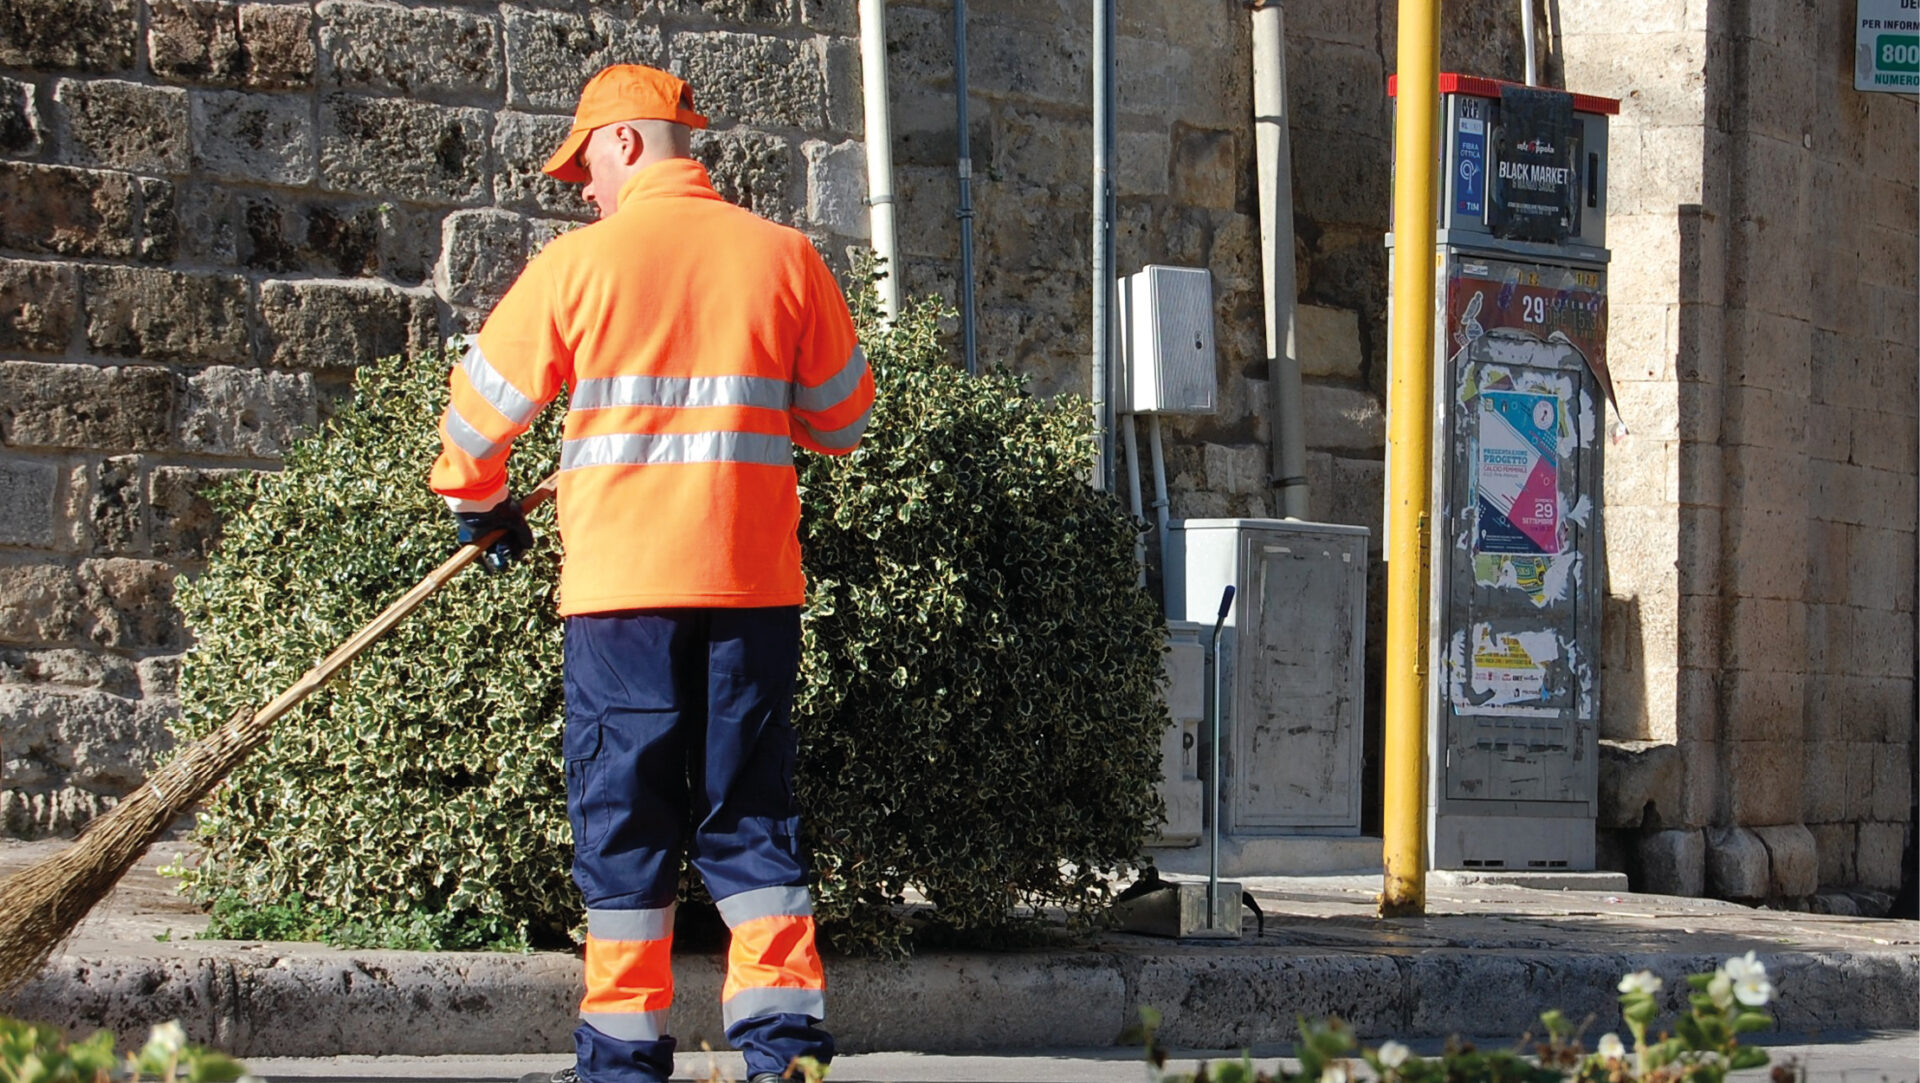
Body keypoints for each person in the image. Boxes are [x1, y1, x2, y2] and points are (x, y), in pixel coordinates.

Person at [428, 63, 873, 1083]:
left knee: (626, 819)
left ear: (626, 142)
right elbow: (844, 421)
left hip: (620, 599)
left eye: (585, 163)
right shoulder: (787, 257)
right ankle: (785, 1058)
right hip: (751, 591)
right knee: (751, 819)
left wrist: (480, 510)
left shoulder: (578, 266)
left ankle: (623, 1059)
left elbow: (474, 419)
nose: (583, 187)